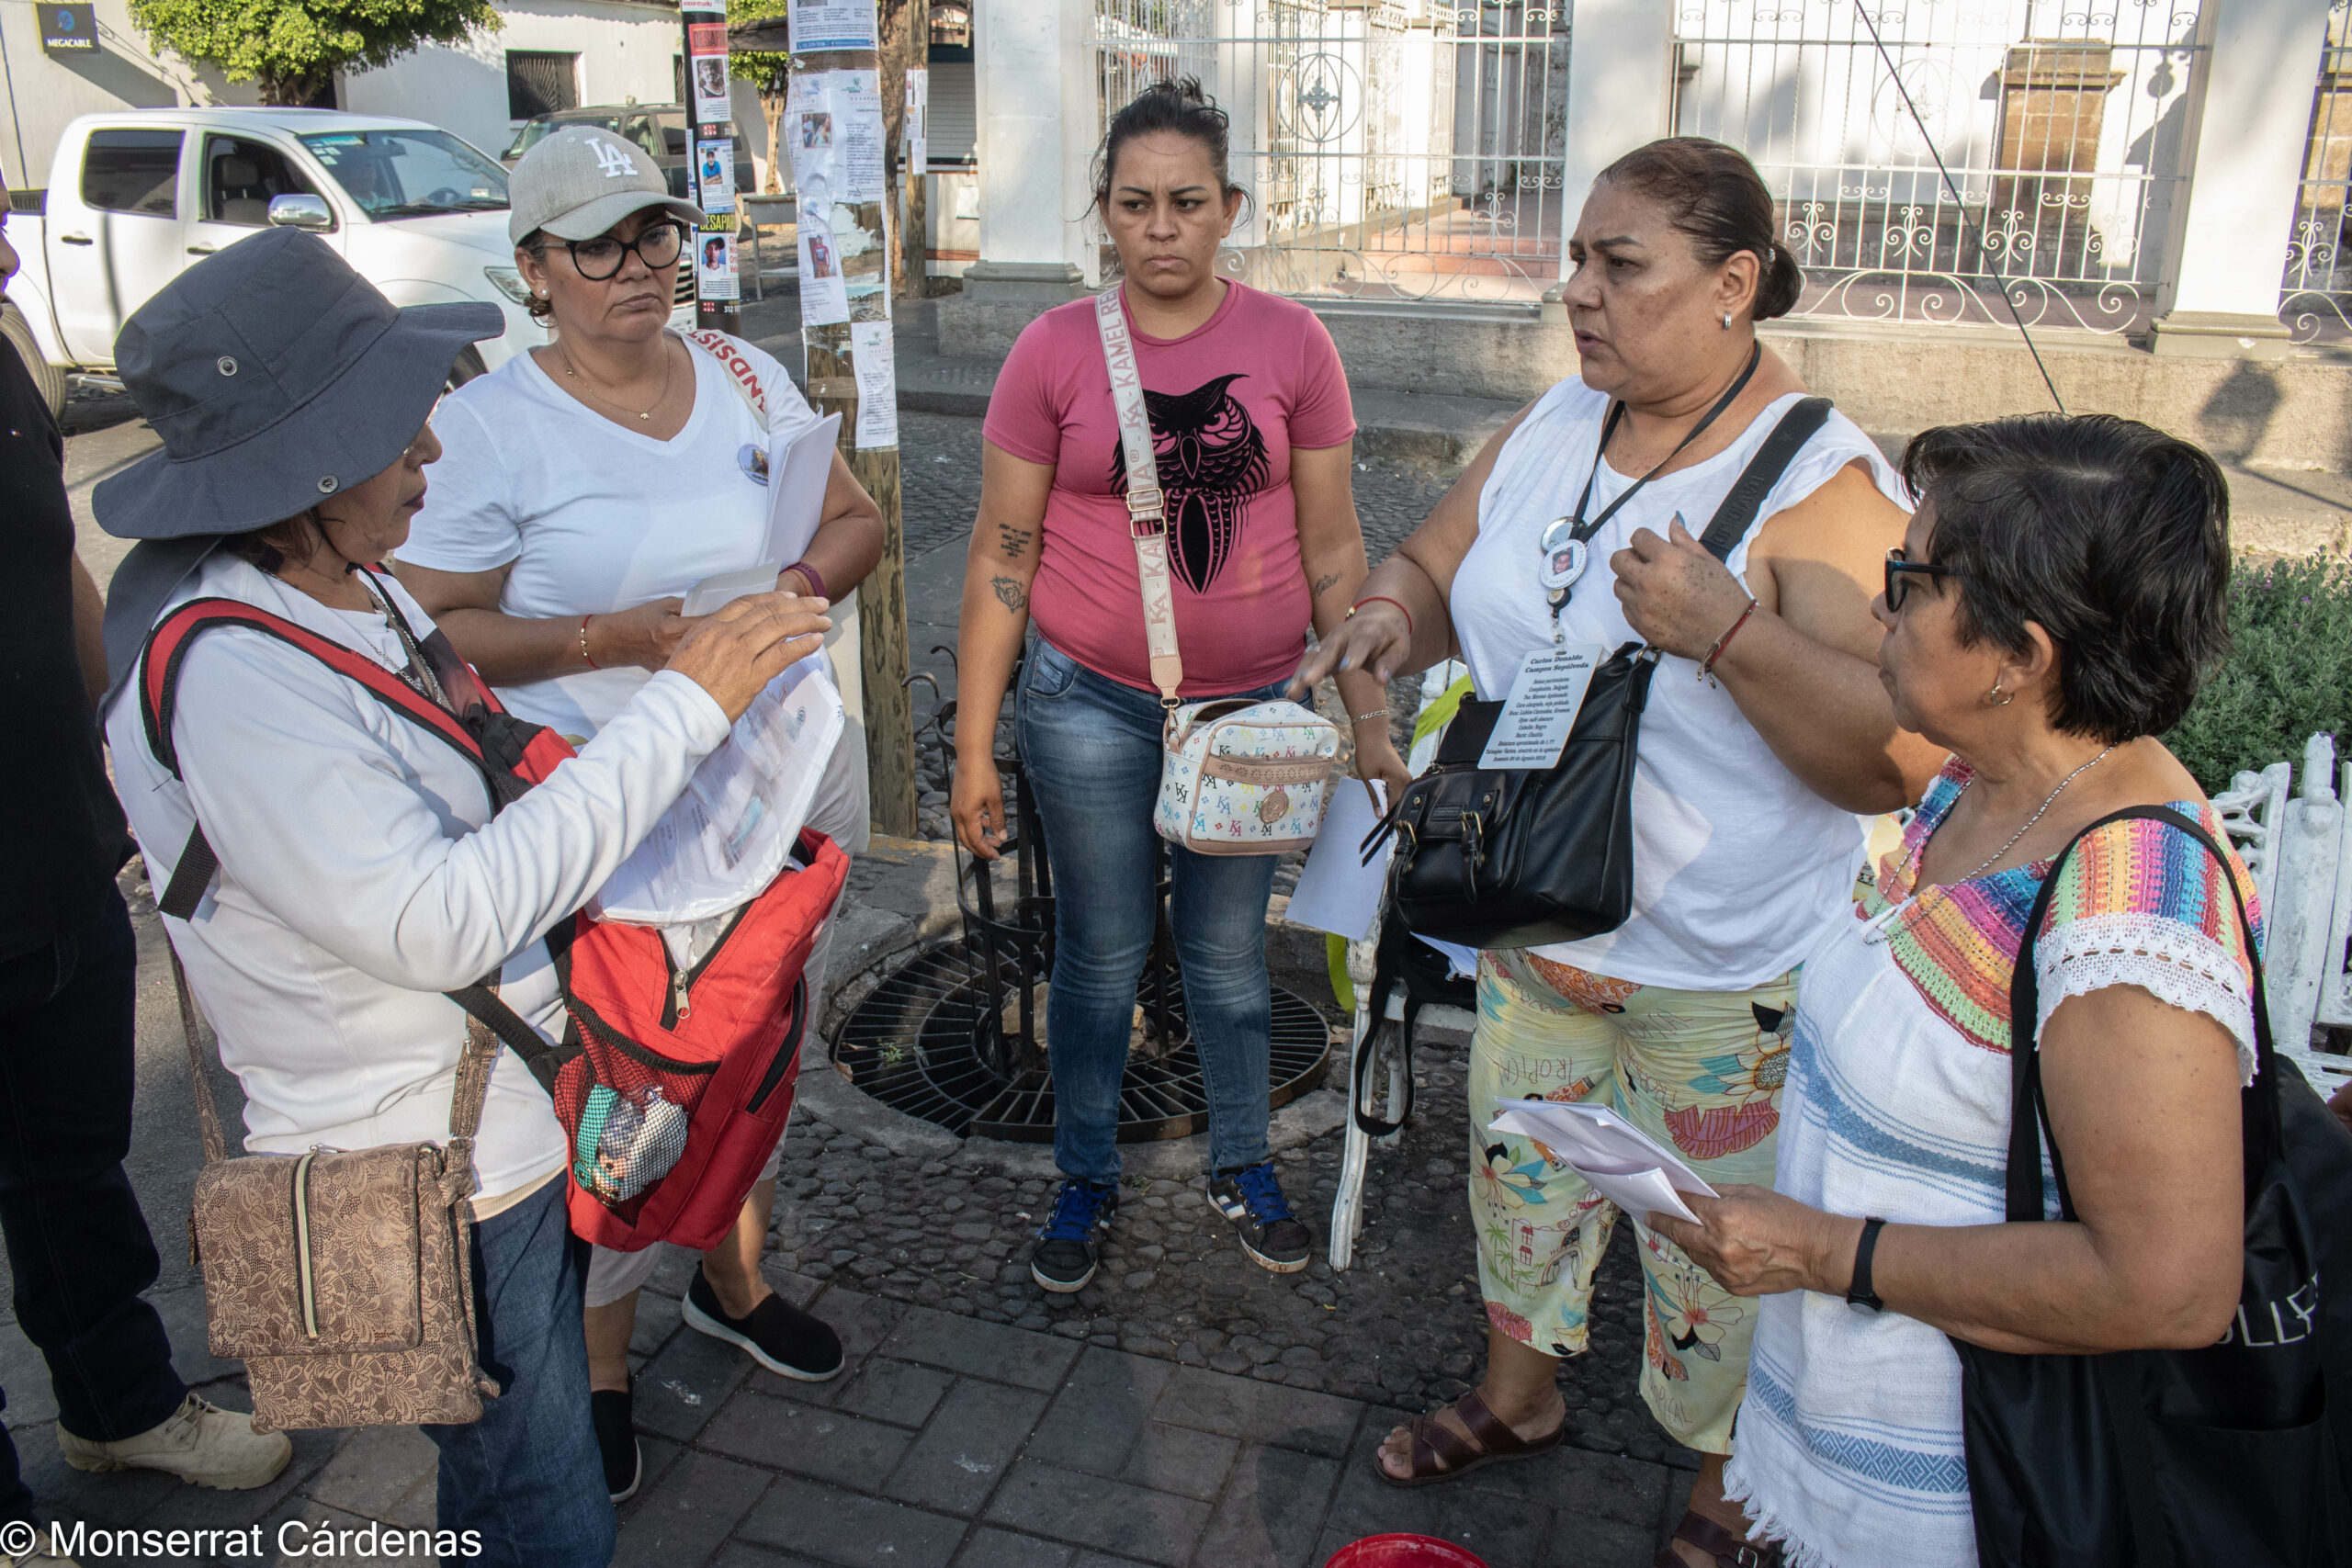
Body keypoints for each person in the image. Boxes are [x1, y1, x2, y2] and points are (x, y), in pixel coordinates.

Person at [96, 227, 830, 1568]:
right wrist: (684, 704)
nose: (432, 451)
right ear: (301, 469)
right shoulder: (238, 675)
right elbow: (438, 917)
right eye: (397, 428)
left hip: (491, 1116)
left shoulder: (335, 582)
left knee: (511, 1475)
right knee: (536, 1501)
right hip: (429, 1164)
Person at [1291, 136, 1944, 1562]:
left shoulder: (1823, 485)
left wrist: (1728, 627)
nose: (1576, 290)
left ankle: (1729, 1473)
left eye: (1617, 263)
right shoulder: (1556, 423)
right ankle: (1519, 1396)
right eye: (1575, 257)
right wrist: (1396, 619)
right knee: (1519, 1184)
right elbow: (1439, 565)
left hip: (1724, 973)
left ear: (1733, 284)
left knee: (1721, 1248)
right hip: (1537, 931)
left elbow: (1899, 752)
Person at [1647, 414, 2257, 1568]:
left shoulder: (2132, 914)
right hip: (1852, 1436)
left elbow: (2166, 1286)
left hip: (1981, 1493)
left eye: (1908, 580)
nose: (1878, 611)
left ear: (2021, 656)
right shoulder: (1984, 786)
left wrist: (1828, 1253)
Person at [393, 125, 884, 1504]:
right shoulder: (491, 421)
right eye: (602, 243)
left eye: (659, 233)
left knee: (758, 1044)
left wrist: (784, 591)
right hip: (617, 808)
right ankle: (604, 1363)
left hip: (787, 776)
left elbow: (854, 520)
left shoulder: (742, 368)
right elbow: (437, 628)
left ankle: (735, 1282)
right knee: (631, 1079)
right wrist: (616, 638)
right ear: (534, 267)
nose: (642, 267)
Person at [951, 78, 1408, 1293]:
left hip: (1254, 713)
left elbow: (1333, 549)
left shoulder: (1291, 343)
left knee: (1224, 957)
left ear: (1230, 210)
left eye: (1188, 203)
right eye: (1138, 203)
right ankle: (1085, 1173)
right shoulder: (1051, 351)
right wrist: (972, 745)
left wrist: (1367, 713)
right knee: (1100, 955)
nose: (1162, 228)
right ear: (1104, 212)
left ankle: (1243, 1158)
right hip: (1090, 703)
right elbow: (1003, 550)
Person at [0, 176, 290, 1568]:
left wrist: (120, 745)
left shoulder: (0, 339)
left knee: (70, 1147)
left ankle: (115, 1403)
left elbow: (52, 553)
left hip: (51, 833)